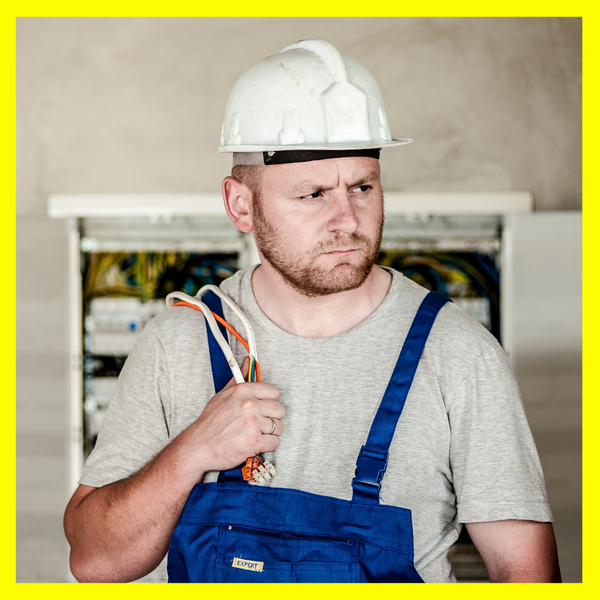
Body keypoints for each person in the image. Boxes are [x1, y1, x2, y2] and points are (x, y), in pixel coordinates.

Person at [64, 39, 561, 583]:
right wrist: (193, 450)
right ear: (241, 205)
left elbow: (528, 576)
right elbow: (94, 560)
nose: (346, 219)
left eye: (363, 187)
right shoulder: (177, 344)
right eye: (313, 195)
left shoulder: (459, 355)